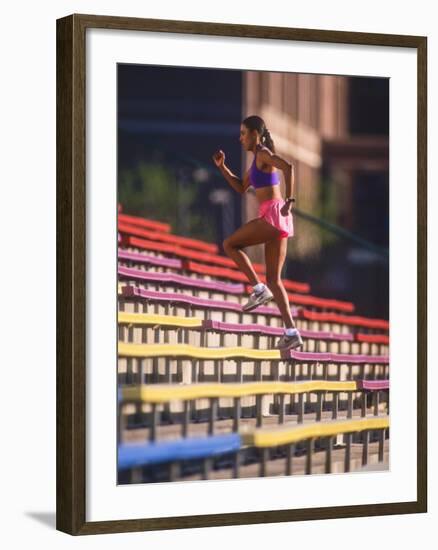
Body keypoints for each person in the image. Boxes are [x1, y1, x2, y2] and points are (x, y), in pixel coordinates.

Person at [212, 115, 303, 351]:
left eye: (243, 133)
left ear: (255, 134)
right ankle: (292, 332)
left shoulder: (262, 154)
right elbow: (241, 188)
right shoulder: (254, 165)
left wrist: (290, 200)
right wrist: (222, 168)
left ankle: (257, 289)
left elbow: (288, 167)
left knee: (230, 244)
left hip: (273, 215)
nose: (240, 138)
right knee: (274, 279)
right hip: (278, 220)